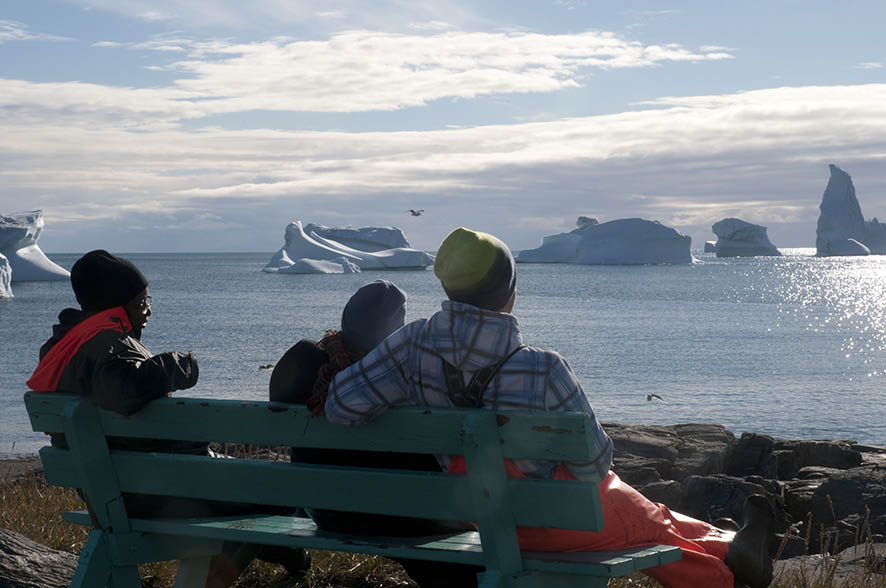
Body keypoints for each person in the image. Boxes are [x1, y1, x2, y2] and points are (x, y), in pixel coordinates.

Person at [325, 228, 776, 588]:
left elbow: (341, 408)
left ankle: (736, 547)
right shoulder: (542, 368)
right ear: (510, 291)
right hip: (548, 521)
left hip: (476, 510)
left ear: (447, 285)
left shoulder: (409, 344)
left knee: (645, 515)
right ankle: (733, 572)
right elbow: (593, 465)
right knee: (640, 519)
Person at [27, 249, 308, 588]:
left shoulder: (62, 347)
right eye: (142, 302)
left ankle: (291, 555)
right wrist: (179, 365)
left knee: (261, 490)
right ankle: (290, 556)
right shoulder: (110, 344)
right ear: (118, 306)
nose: (147, 311)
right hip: (160, 494)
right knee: (281, 491)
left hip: (109, 493)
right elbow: (122, 389)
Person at [270, 280, 477, 585]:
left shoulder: (307, 362)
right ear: (394, 330)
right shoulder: (396, 377)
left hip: (325, 510)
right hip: (397, 519)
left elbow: (276, 410)